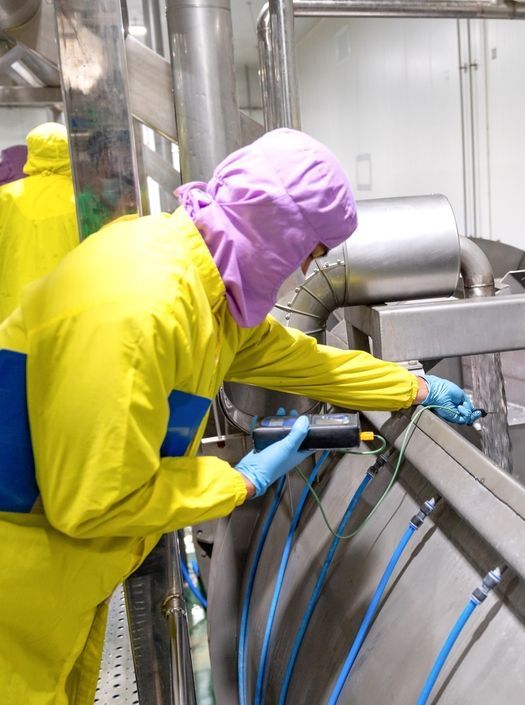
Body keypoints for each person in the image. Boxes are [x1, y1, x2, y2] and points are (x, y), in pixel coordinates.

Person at [0, 128, 480, 705]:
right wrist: (240, 478)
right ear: (275, 229)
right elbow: (93, 501)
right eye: (308, 253)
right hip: (19, 593)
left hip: (60, 584)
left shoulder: (197, 284)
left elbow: (297, 359)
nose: (304, 272)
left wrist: (410, 386)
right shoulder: (144, 306)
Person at [0, 123, 78, 321]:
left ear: (32, 152)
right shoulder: (83, 199)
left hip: (16, 311)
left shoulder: (5, 197)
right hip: (70, 307)